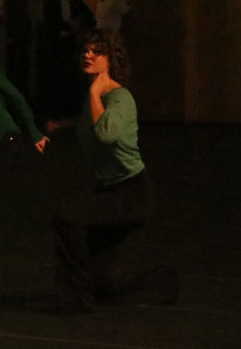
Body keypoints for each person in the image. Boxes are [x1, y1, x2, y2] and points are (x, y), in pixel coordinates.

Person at [51, 29, 177, 314]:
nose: (88, 55)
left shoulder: (120, 98)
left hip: (131, 193)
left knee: (67, 218)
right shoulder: (94, 99)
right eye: (86, 50)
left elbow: (105, 133)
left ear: (111, 59)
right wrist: (63, 125)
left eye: (97, 51)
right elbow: (90, 124)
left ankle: (76, 300)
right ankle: (163, 282)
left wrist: (95, 92)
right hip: (107, 189)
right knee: (106, 282)